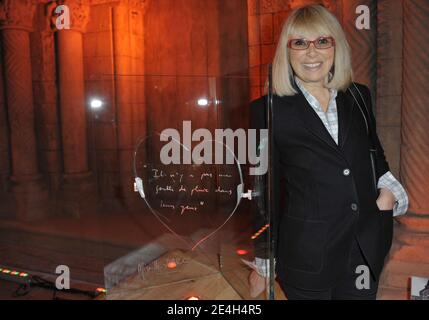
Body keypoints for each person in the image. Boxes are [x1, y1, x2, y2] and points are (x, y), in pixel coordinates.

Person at [248, 4, 408, 300]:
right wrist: (263, 257)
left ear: (337, 47)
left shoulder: (360, 96)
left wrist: (388, 199)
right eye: (300, 42)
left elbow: (375, 157)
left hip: (364, 251)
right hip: (307, 258)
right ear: (287, 50)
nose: (312, 52)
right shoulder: (267, 110)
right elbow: (262, 191)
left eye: (322, 41)